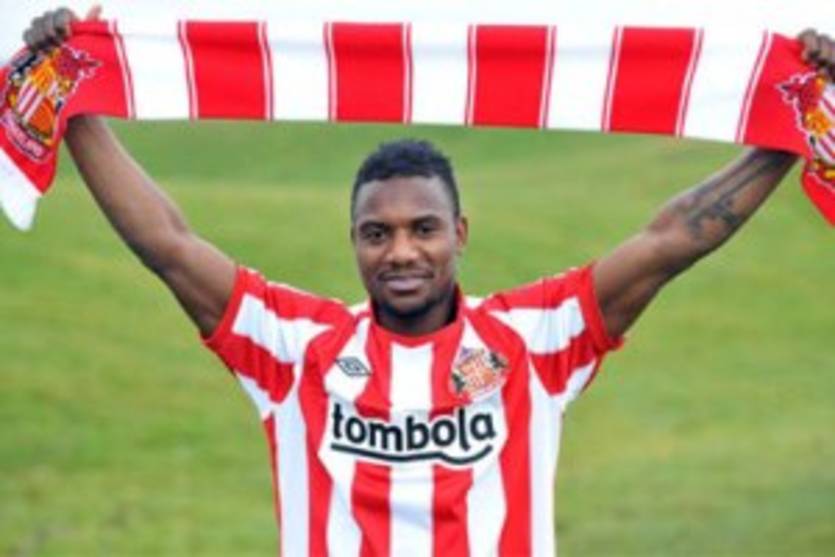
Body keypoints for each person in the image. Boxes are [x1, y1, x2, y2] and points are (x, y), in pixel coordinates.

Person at [19, 7, 835, 557]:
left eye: (423, 228)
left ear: (459, 234)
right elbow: (167, 243)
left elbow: (668, 241)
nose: (401, 252)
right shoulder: (296, 346)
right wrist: (76, 101)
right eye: (377, 234)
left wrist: (786, 124)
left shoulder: (534, 336)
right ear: (353, 243)